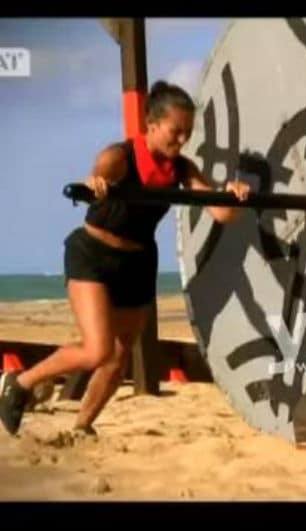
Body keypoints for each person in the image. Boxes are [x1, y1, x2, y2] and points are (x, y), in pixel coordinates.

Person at [0, 80, 251, 437]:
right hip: (93, 256)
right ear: (152, 124)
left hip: (138, 264)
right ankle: (20, 383)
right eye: (176, 131)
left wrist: (233, 196)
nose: (182, 140)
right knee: (97, 351)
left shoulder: (182, 168)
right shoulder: (118, 156)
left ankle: (82, 428)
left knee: (118, 360)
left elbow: (221, 213)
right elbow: (95, 180)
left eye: (187, 132)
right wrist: (96, 185)